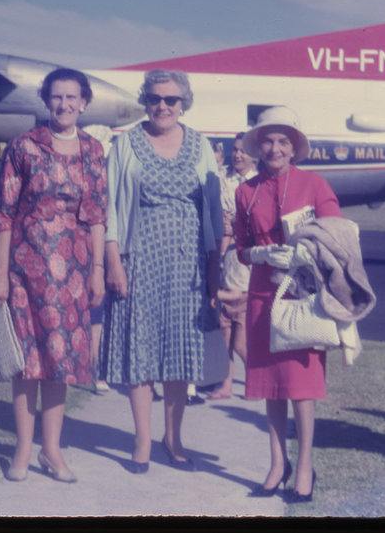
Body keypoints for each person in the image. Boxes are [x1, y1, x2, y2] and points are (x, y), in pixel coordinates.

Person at [0, 67, 108, 483]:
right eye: (57, 97)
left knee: (61, 361)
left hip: (73, 271)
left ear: (84, 102)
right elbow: (3, 212)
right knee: (26, 363)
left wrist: (96, 271)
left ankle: (51, 451)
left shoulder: (93, 150)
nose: (65, 105)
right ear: (46, 101)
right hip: (25, 268)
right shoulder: (23, 146)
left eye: (73, 97)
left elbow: (96, 215)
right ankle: (23, 450)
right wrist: (0, 273)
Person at [102, 69, 223, 474]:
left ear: (183, 103)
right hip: (140, 261)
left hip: (188, 263)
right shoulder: (126, 144)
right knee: (141, 348)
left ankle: (173, 439)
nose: (163, 106)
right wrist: (114, 260)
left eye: (171, 99)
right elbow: (112, 209)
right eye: (155, 98)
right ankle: (141, 441)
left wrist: (213, 266)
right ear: (146, 101)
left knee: (179, 353)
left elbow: (214, 211)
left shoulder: (201, 144)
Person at [233, 105, 341, 502]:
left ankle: (306, 464)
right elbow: (241, 248)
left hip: (305, 295)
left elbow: (335, 236)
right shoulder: (247, 190)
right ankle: (277, 463)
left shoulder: (314, 184)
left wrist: (305, 254)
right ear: (258, 146)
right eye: (268, 141)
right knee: (272, 387)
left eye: (283, 141)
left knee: (301, 387)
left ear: (294, 148)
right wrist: (257, 256)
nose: (275, 148)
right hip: (264, 294)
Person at [208, 132, 257, 401]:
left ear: (254, 155)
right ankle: (226, 385)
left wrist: (235, 227)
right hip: (226, 260)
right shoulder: (224, 179)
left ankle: (256, 379)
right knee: (225, 337)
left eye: (243, 151)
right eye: (235, 150)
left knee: (241, 341)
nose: (237, 155)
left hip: (245, 269)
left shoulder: (256, 184)